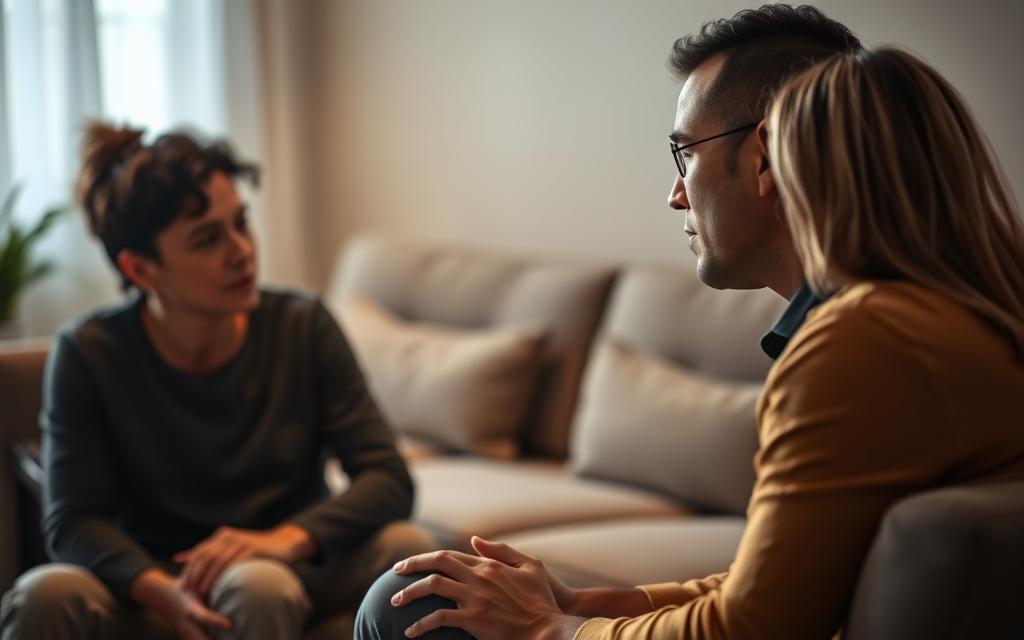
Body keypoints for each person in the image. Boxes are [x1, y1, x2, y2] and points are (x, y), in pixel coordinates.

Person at [353, 6, 1024, 640]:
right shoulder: (960, 318)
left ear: (765, 156)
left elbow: (755, 630)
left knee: (408, 600)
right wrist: (592, 605)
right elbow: (788, 582)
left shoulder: (861, 341)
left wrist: (549, 629)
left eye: (686, 153)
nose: (676, 192)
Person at [0, 123, 435, 640]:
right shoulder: (88, 354)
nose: (242, 252)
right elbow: (72, 520)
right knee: (44, 594)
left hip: (283, 566)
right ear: (141, 270)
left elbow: (387, 477)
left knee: (397, 548)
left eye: (240, 223)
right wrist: (161, 589)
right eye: (208, 239)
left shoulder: (303, 325)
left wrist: (287, 538)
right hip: (151, 581)